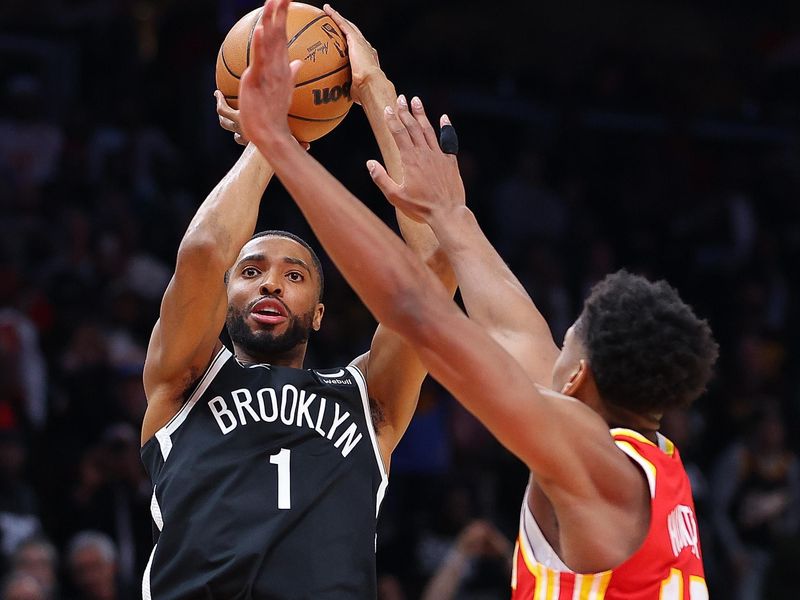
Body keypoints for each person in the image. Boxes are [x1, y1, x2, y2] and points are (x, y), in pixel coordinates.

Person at [237, 3, 719, 599]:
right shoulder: (645, 462)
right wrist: (372, 89)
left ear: (577, 378)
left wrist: (277, 145)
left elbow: (420, 314)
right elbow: (475, 277)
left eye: (564, 340)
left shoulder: (598, 468)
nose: (550, 344)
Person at [140, 5, 454, 599]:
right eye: (252, 271)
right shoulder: (184, 382)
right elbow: (207, 249)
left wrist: (372, 88)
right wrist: (272, 135)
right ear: (225, 299)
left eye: (294, 275)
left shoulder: (370, 402)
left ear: (318, 311)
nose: (271, 284)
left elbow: (436, 272)